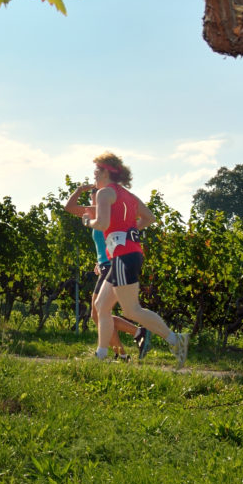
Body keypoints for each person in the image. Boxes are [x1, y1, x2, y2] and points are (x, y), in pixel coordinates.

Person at [64, 152, 189, 367]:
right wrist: (129, 232)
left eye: (96, 170)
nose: (94, 174)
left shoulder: (104, 193)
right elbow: (149, 217)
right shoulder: (127, 195)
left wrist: (87, 221)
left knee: (132, 310)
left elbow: (101, 224)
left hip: (123, 257)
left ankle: (176, 340)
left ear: (106, 172)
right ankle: (100, 356)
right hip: (124, 257)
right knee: (102, 305)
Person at [89, 226, 149, 360]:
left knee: (99, 313)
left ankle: (135, 336)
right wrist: (99, 262)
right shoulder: (99, 218)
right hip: (106, 265)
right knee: (100, 314)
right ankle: (123, 354)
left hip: (111, 266)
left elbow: (118, 238)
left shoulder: (107, 214)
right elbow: (104, 244)